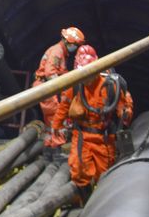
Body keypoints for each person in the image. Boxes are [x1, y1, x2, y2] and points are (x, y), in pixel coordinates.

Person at [52, 45, 133, 200]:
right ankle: (84, 201)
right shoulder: (75, 84)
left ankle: (100, 202)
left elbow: (123, 108)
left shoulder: (110, 85)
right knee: (79, 169)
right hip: (82, 135)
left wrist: (125, 115)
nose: (86, 78)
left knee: (103, 174)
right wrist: (56, 125)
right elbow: (64, 106)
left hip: (103, 139)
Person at [34, 27, 85, 160]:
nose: (76, 48)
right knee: (57, 117)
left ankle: (48, 151)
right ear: (69, 42)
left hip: (46, 87)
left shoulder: (61, 52)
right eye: (76, 45)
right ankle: (57, 152)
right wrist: (62, 90)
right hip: (48, 88)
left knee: (51, 121)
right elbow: (50, 73)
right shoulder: (57, 51)